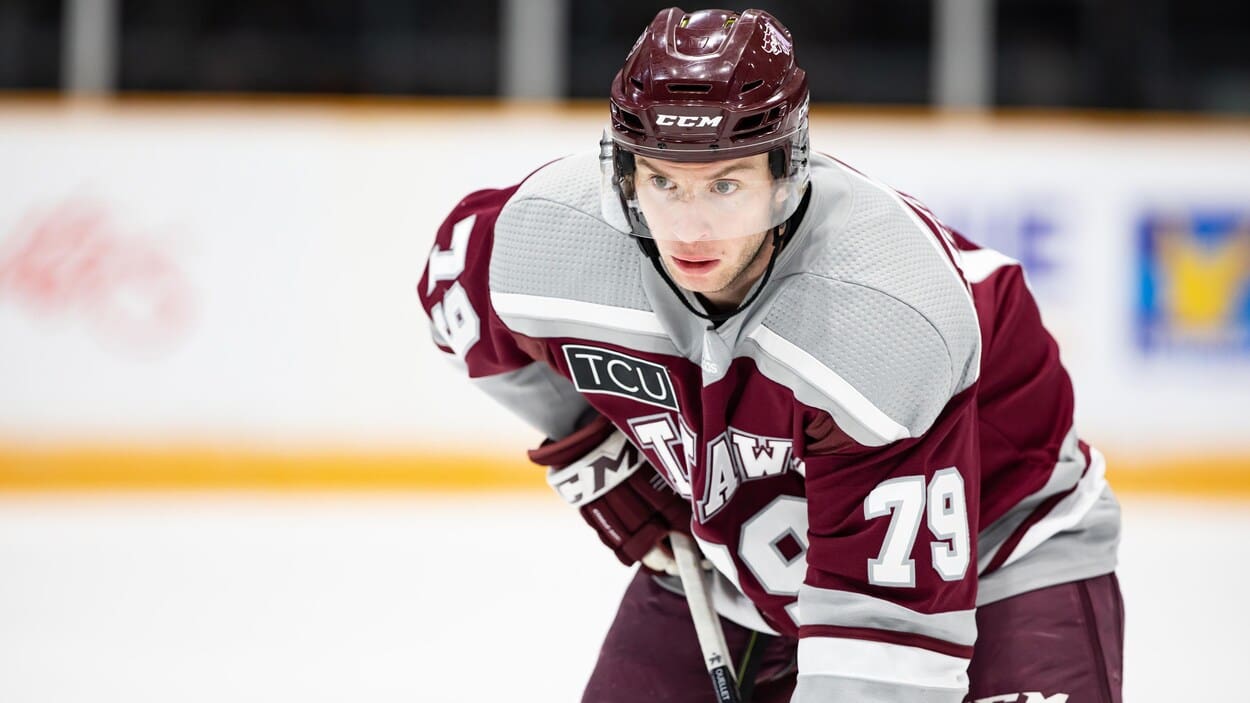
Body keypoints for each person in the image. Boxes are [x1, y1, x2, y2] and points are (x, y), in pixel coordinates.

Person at [418, 7, 1123, 702]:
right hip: (734, 560)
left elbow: (886, 649)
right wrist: (587, 446)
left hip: (999, 545)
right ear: (624, 174)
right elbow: (457, 302)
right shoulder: (555, 235)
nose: (691, 227)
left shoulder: (883, 323)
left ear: (787, 173)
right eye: (664, 182)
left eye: (725, 185)